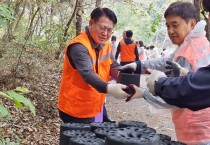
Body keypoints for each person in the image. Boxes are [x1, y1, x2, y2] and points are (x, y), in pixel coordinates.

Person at [121, 2, 210, 144]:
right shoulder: (192, 42)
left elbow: (178, 93)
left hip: (197, 127)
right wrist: (138, 65)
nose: (170, 31)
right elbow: (166, 62)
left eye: (175, 25)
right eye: (168, 26)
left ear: (192, 24)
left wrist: (143, 93)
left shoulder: (190, 51)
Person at [58, 7, 129, 124]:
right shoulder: (79, 46)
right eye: (102, 28)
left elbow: (113, 66)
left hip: (96, 105)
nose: (105, 34)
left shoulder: (105, 44)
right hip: (75, 109)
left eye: (109, 30)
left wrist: (126, 76)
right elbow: (87, 74)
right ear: (91, 23)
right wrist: (110, 88)